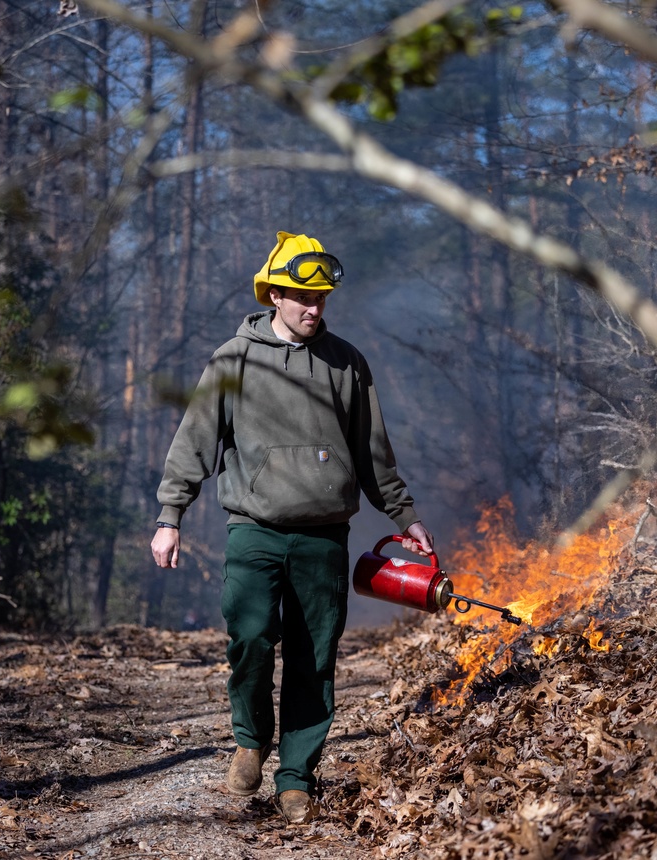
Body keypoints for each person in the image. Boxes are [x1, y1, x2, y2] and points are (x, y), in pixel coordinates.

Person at [150, 230, 434, 824]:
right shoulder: (235, 358)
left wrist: (405, 517)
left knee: (315, 657)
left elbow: (374, 453)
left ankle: (296, 776)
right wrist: (169, 516)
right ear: (275, 294)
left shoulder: (347, 362)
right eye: (304, 297)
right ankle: (251, 742)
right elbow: (195, 440)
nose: (315, 309)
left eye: (323, 298)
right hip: (254, 529)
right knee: (251, 638)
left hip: (325, 535)